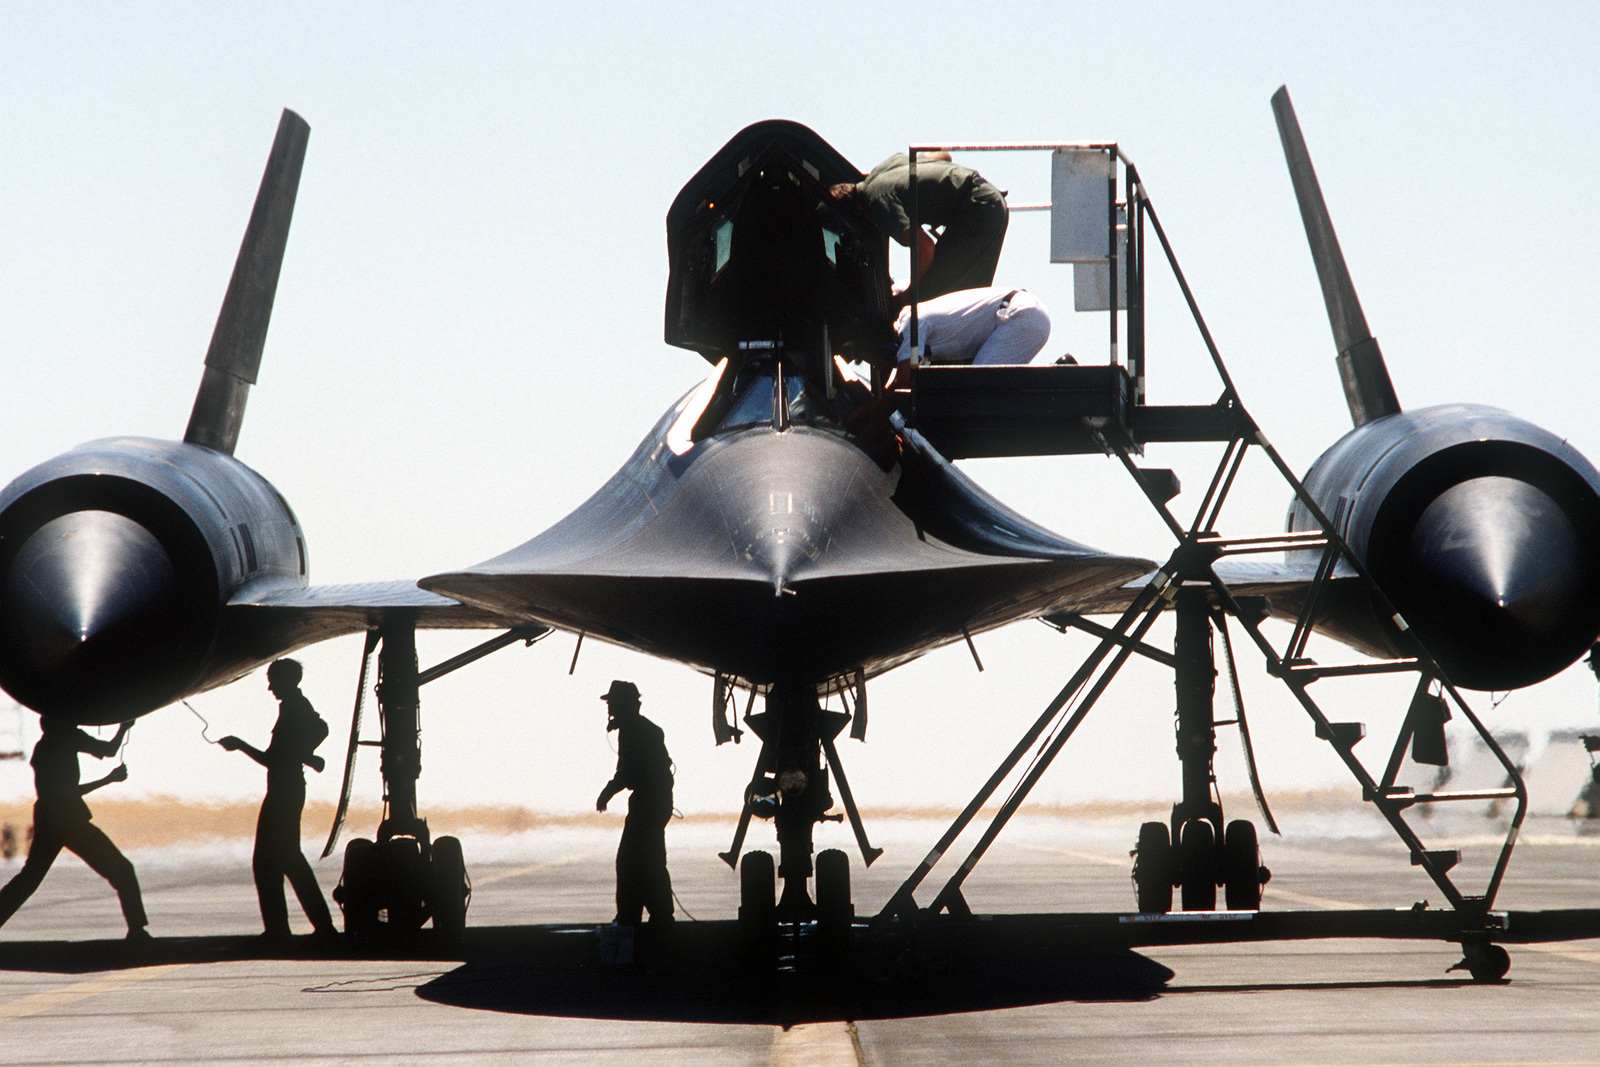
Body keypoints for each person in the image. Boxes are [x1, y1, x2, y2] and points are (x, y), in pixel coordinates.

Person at [220, 658, 337, 942]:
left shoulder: (295, 708)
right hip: (288, 789)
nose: (270, 687)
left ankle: (290, 929)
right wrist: (304, 753)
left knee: (273, 860)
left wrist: (239, 745)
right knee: (283, 859)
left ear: (288, 680)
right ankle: (304, 927)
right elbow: (321, 727)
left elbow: (272, 759)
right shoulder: (296, 706)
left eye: (274, 680)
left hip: (284, 791)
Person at [0, 717, 149, 940]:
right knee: (122, 870)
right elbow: (68, 790)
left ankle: (137, 929)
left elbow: (107, 750)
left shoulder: (46, 746)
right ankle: (137, 930)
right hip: (68, 821)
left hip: (49, 820)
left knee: (29, 879)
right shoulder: (65, 741)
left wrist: (122, 729)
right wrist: (109, 778)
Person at [831, 151, 1008, 302]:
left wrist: (910, 295)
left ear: (858, 211)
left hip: (979, 210)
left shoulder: (877, 202)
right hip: (987, 199)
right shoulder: (882, 170)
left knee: (935, 295)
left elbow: (924, 247)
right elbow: (943, 156)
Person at [595, 680, 674, 926]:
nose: (610, 708)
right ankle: (658, 915)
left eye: (613, 703)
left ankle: (632, 917)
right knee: (648, 859)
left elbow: (627, 772)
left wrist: (606, 793)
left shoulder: (632, 730)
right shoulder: (645, 728)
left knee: (630, 861)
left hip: (648, 804)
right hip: (656, 802)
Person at [894, 286, 1051, 367]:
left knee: (975, 387)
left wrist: (875, 413)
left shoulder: (910, 321)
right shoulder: (920, 321)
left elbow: (906, 377)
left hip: (1022, 315)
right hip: (1025, 315)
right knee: (979, 390)